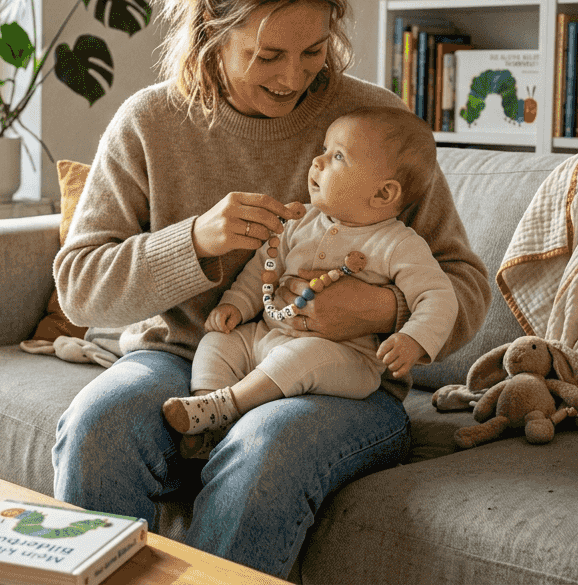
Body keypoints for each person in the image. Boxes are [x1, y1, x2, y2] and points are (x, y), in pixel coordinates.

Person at [51, 0, 491, 580]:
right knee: (98, 429)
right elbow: (78, 290)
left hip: (339, 384)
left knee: (265, 444)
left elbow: (465, 279)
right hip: (181, 355)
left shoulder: (372, 125)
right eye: (267, 56)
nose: (294, 78)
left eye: (314, 51)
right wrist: (193, 242)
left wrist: (386, 308)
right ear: (212, 34)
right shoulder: (150, 122)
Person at [161, 107, 458, 447]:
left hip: (344, 359)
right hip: (269, 334)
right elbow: (263, 268)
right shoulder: (302, 221)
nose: (318, 161)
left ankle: (226, 405)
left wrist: (414, 339)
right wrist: (236, 305)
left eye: (338, 156)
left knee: (301, 359)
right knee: (218, 341)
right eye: (324, 149)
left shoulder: (399, 244)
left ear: (382, 194)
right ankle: (206, 417)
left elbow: (438, 296)